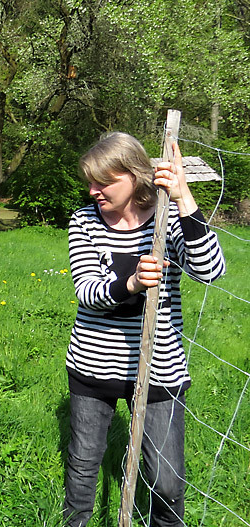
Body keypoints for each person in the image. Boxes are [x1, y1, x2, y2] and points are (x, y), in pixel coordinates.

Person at [63, 132, 226, 526]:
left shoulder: (167, 218)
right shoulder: (83, 221)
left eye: (103, 182)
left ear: (134, 176)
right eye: (90, 181)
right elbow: (88, 292)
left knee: (168, 482)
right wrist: (132, 283)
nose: (93, 191)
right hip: (92, 363)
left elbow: (210, 271)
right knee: (83, 467)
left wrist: (184, 196)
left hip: (159, 368)